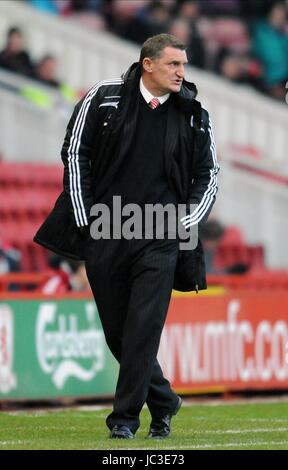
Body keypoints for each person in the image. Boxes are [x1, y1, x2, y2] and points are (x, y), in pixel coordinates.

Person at [34, 34, 219, 439]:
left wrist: (186, 222)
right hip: (105, 230)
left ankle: (124, 421)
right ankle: (165, 399)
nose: (181, 73)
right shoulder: (104, 97)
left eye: (184, 65)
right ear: (148, 64)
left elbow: (209, 174)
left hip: (163, 235)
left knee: (142, 329)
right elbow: (75, 152)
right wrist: (83, 218)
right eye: (174, 65)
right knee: (118, 333)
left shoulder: (194, 112)